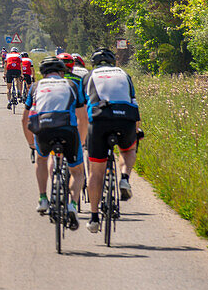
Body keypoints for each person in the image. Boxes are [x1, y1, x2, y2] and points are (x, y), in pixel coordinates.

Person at [22, 56, 88, 229]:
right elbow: (83, 118)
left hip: (43, 129)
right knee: (77, 171)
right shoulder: (72, 85)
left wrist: (31, 144)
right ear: (62, 73)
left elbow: (25, 118)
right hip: (68, 130)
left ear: (43, 74)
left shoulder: (36, 86)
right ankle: (72, 204)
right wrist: (79, 144)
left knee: (42, 159)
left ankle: (43, 198)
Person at [84, 47, 141, 234]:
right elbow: (134, 104)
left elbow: (82, 109)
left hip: (100, 120)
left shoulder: (89, 76)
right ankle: (124, 178)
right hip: (125, 118)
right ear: (113, 62)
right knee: (128, 149)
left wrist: (84, 136)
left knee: (96, 171)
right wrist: (137, 130)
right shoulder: (125, 75)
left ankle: (93, 218)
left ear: (94, 63)